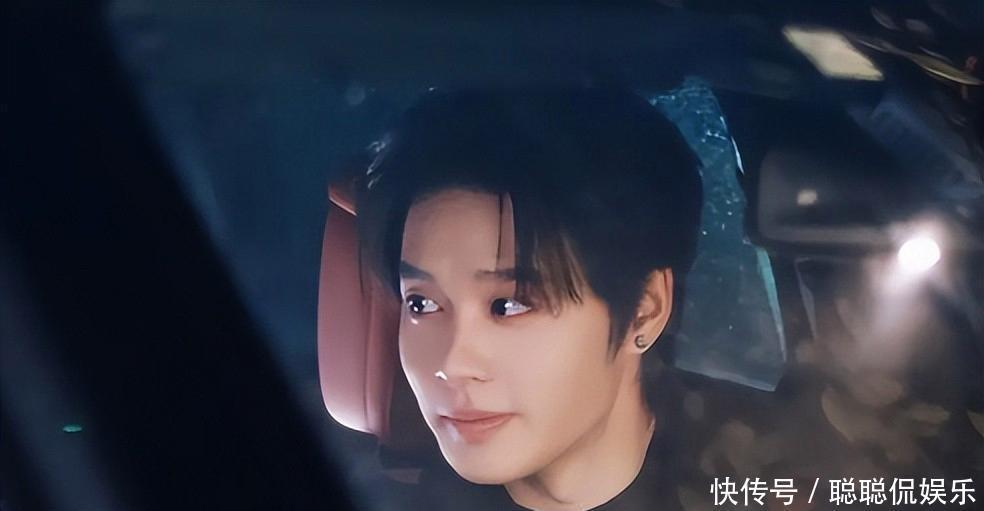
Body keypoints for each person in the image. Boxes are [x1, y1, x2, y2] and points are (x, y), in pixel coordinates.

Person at [354, 88, 703, 510]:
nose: (452, 365)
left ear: (644, 311)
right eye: (421, 305)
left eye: (509, 305)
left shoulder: (758, 468)